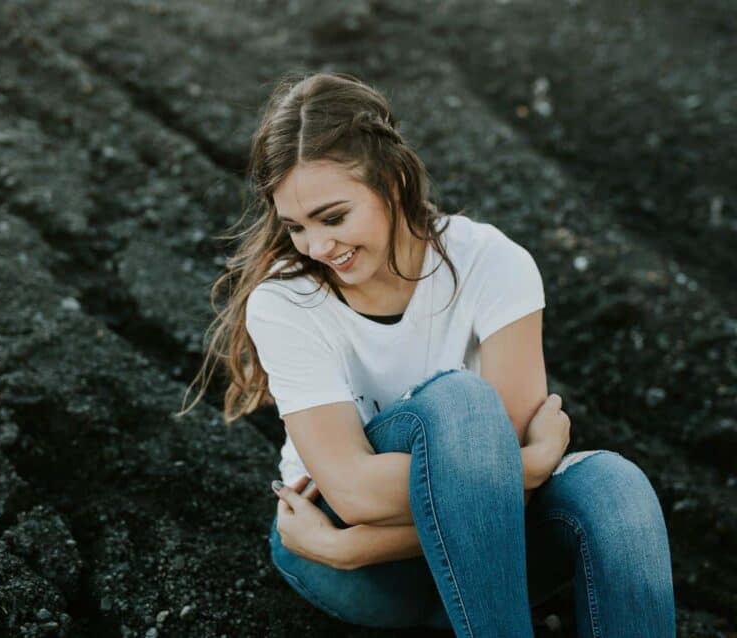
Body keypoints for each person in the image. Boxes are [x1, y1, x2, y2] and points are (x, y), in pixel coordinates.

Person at [180, 71, 676, 636]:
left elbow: (501, 480)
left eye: (334, 217)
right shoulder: (284, 300)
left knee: (616, 488)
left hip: (460, 547)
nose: (317, 247)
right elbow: (355, 492)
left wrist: (362, 544)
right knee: (462, 403)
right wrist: (525, 467)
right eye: (295, 227)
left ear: (392, 181)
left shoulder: (492, 262)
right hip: (351, 559)